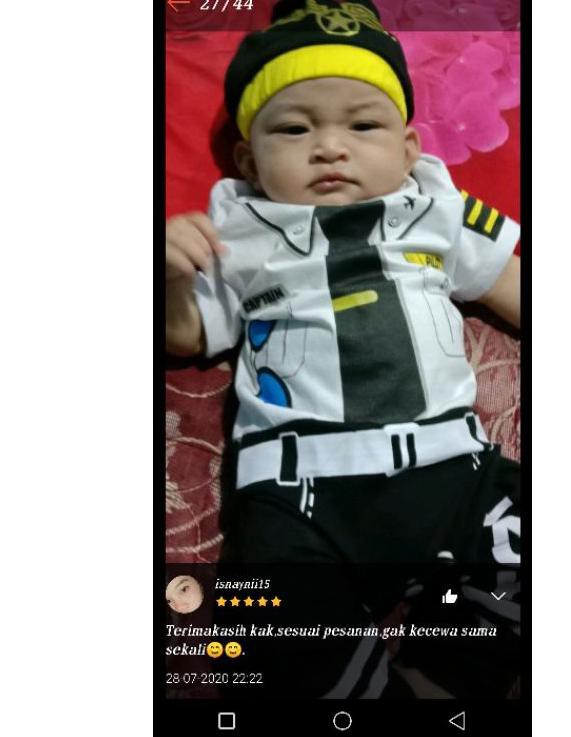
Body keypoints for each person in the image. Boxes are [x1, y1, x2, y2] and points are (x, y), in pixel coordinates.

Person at [165, 0, 521, 698]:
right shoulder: (233, 231)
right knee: (266, 619)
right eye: (294, 129)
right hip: (298, 496)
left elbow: (513, 284)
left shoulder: (439, 210)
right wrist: (170, 274)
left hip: (452, 471)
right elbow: (186, 334)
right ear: (248, 159)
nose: (330, 147)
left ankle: (440, 678)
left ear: (409, 149)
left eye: (363, 125)